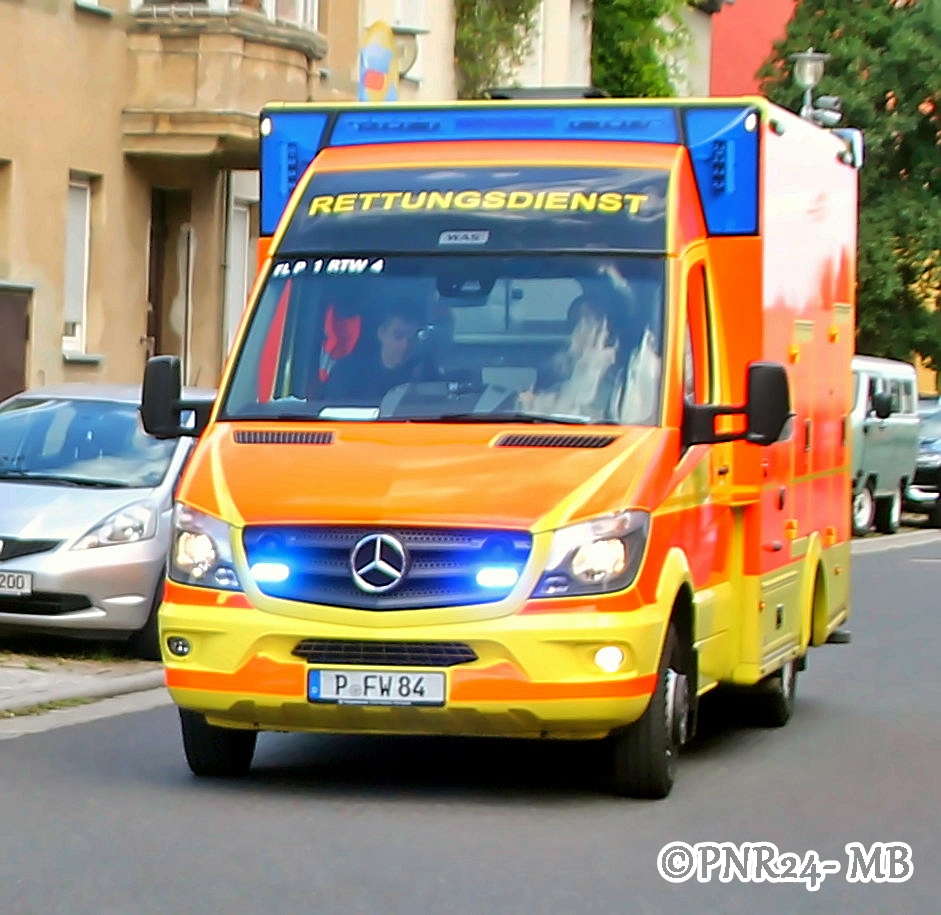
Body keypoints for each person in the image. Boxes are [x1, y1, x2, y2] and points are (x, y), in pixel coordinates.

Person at [519, 295, 622, 420]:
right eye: (576, 324)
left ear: (605, 334)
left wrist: (590, 367)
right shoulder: (556, 377)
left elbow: (579, 416)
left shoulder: (619, 387)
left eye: (588, 323)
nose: (576, 333)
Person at [325, 302, 438, 403]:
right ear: (381, 333)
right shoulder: (347, 370)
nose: (405, 345)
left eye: (413, 338)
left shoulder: (426, 374)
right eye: (398, 336)